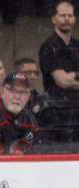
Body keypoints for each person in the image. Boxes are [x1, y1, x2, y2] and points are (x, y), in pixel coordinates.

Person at [38, 0, 79, 149]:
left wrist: (72, 76)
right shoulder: (49, 46)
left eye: (70, 15)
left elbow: (68, 79)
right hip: (57, 113)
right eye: (62, 15)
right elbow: (62, 81)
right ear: (53, 18)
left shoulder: (77, 45)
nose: (67, 19)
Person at [0, 72, 39, 155]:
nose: (17, 96)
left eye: (23, 92)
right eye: (12, 90)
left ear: (29, 96)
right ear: (1, 91)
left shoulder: (30, 120)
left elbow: (35, 150)